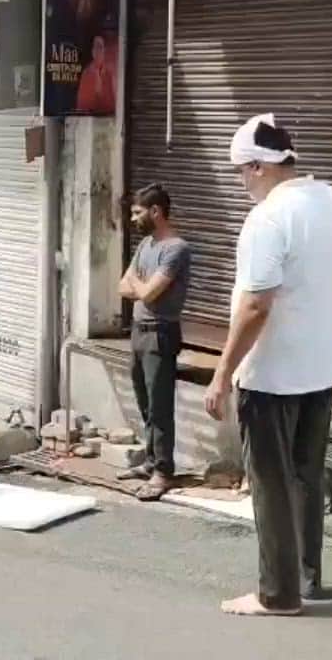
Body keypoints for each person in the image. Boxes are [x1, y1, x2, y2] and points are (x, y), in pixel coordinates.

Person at [205, 113, 332, 617]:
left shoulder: (269, 217)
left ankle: (278, 594)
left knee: (270, 481)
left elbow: (256, 305)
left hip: (273, 374)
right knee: (306, 477)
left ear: (257, 167)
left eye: (239, 172)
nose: (240, 182)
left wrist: (223, 372)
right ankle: (308, 578)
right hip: (325, 367)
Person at [117, 184, 193, 502]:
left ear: (156, 212)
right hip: (138, 330)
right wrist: (141, 284)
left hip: (160, 333)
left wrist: (140, 284)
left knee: (160, 406)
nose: (133, 219)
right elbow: (124, 285)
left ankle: (163, 471)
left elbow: (148, 293)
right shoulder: (146, 244)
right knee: (144, 401)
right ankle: (150, 462)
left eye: (137, 212)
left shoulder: (176, 248)